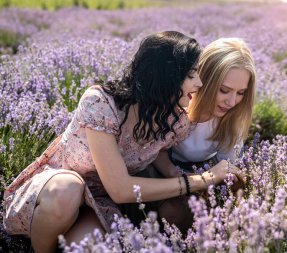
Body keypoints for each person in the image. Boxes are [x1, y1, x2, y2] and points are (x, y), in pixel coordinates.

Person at [3, 31, 243, 253]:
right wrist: (203, 180)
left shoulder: (176, 119)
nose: (199, 83)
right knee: (68, 191)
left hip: (98, 202)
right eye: (191, 75)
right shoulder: (101, 103)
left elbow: (157, 149)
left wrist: (175, 174)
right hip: (57, 187)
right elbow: (121, 189)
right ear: (166, 75)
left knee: (90, 247)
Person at [150, 38, 256, 232]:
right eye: (224, 90)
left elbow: (228, 169)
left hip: (199, 175)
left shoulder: (230, 120)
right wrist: (179, 176)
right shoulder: (176, 106)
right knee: (170, 212)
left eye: (241, 93)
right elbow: (152, 149)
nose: (232, 101)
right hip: (158, 172)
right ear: (202, 80)